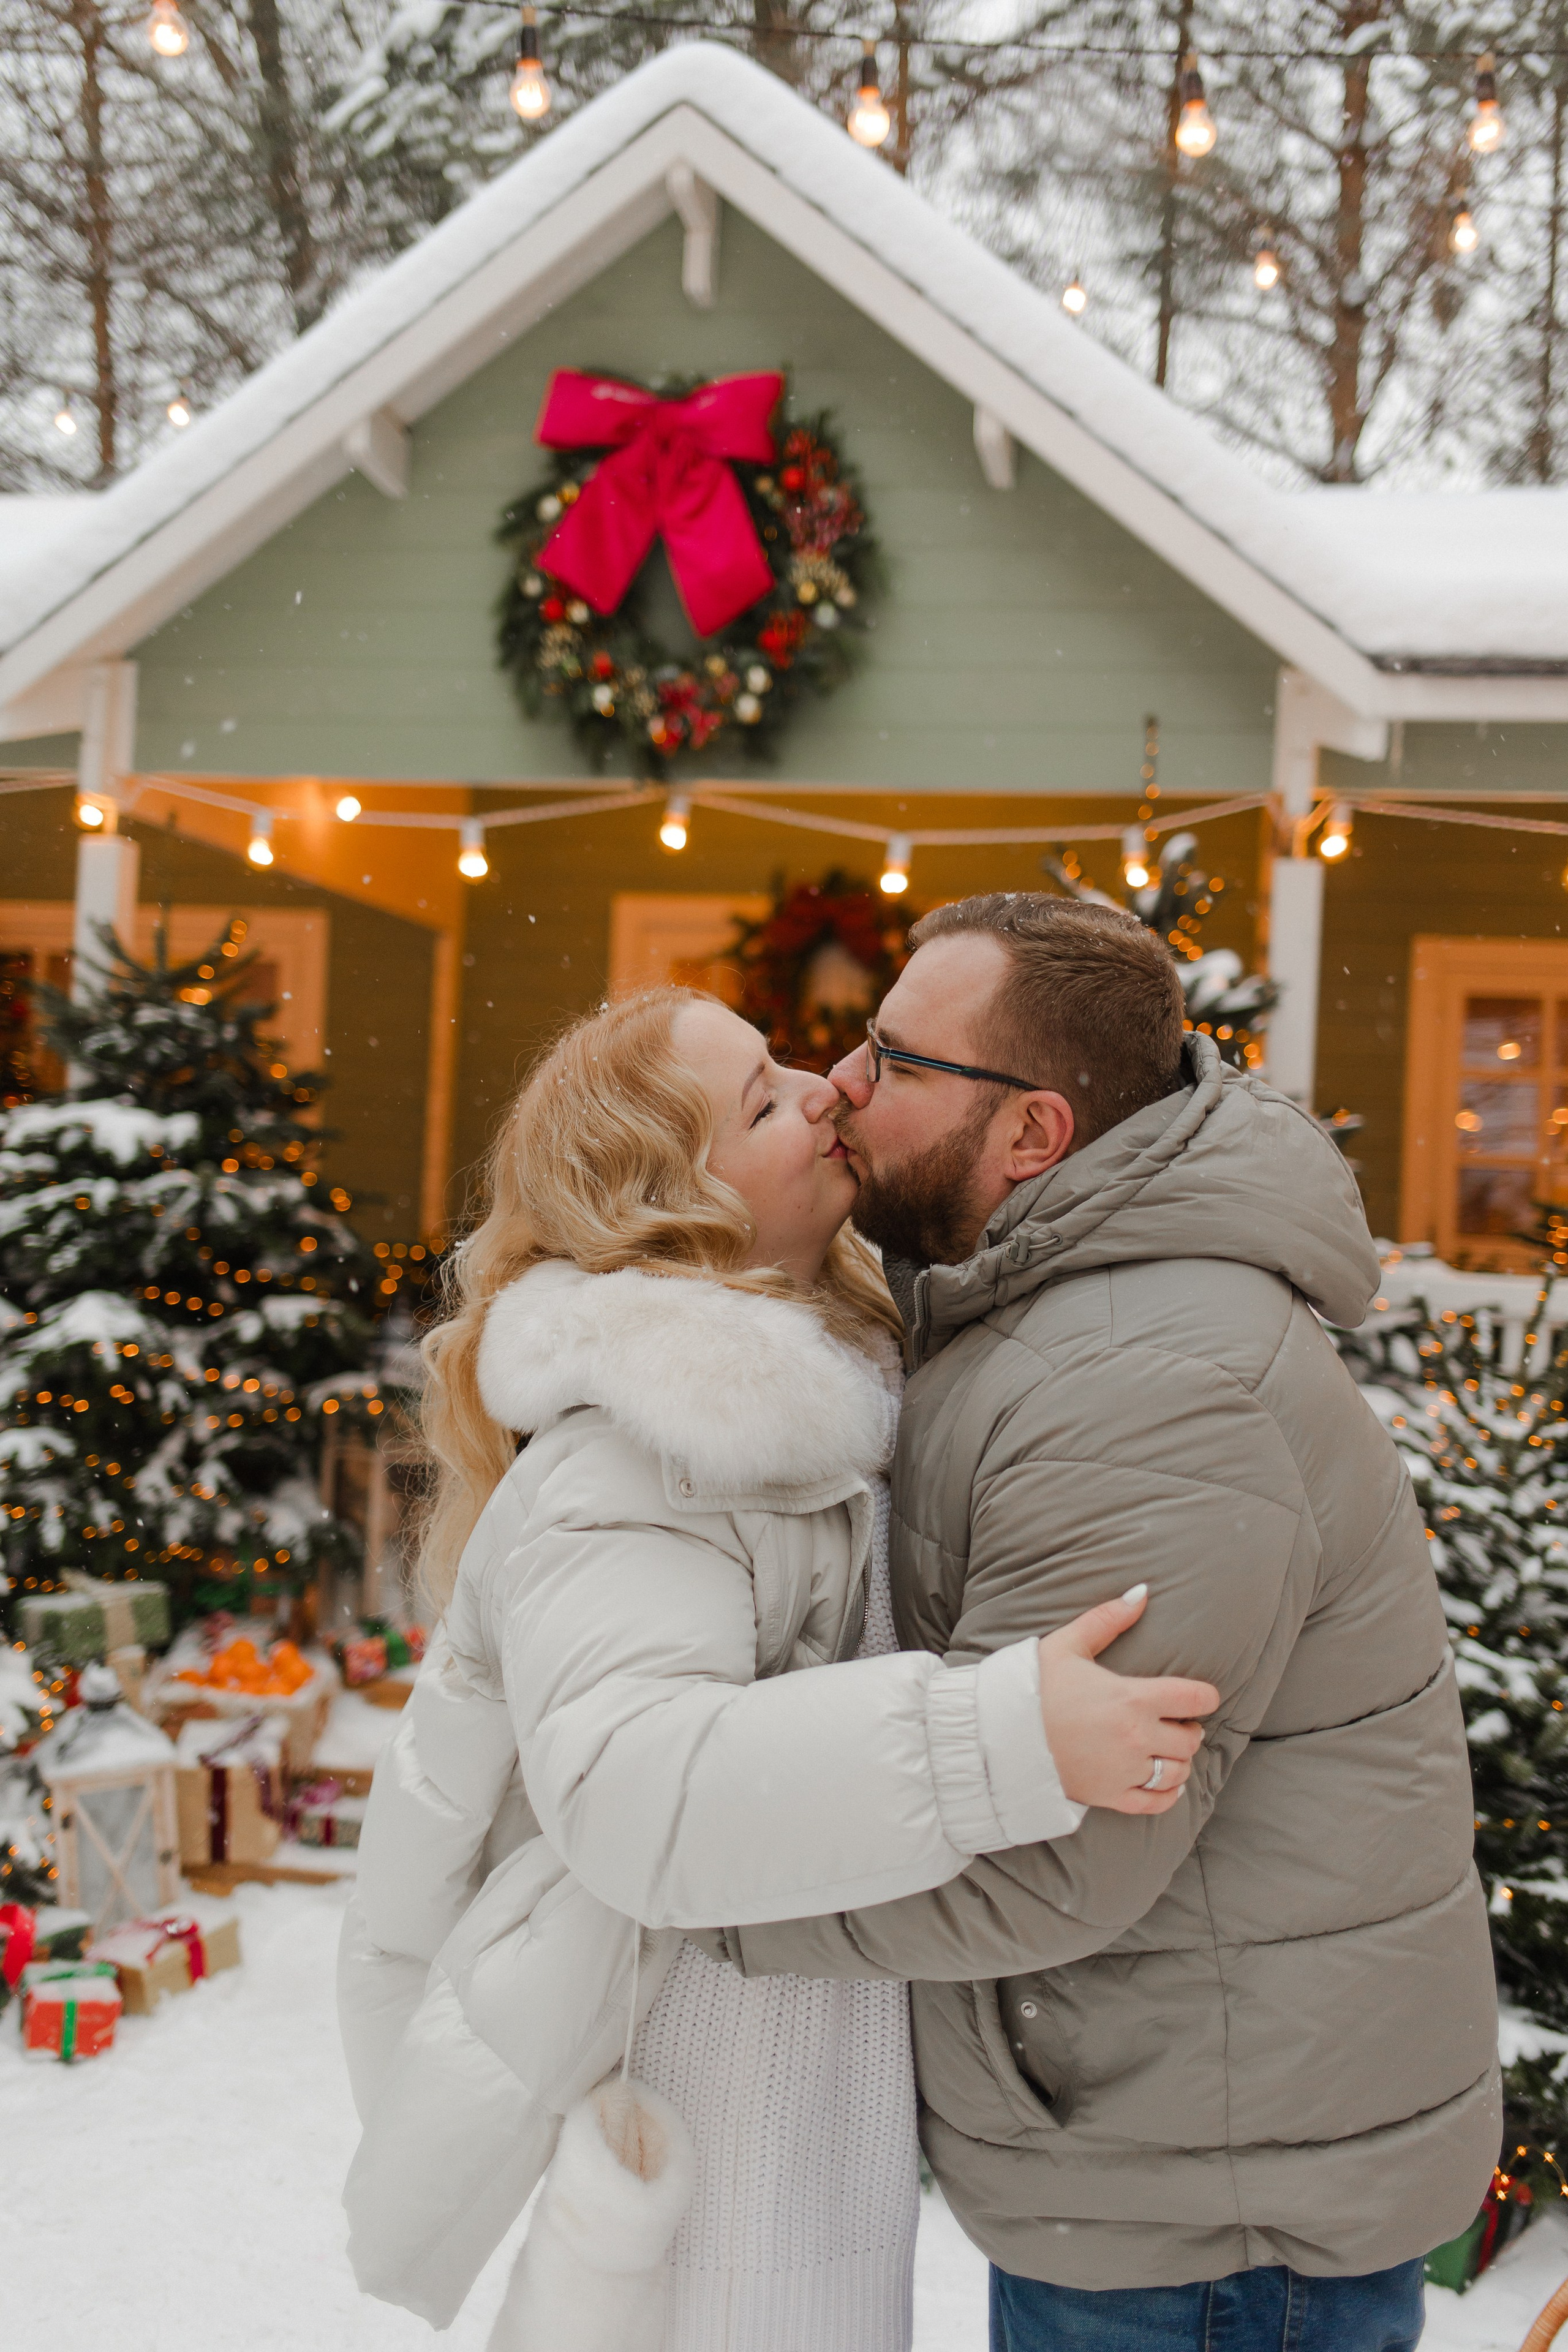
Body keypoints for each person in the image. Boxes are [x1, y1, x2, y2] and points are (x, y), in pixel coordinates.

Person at [336, 984, 1218, 2352]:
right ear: (672, 1207)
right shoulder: (637, 1451)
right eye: (761, 1100)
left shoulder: (823, 1392)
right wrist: (1002, 1737)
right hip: (717, 2086)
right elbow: (639, 1790)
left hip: (812, 2057)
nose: (825, 1087)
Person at [693, 892, 1501, 2352]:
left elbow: (1049, 1845)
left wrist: (684, 1889)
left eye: (894, 1059)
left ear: (1032, 1134)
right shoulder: (1052, 1312)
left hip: (1208, 2228)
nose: (841, 1084)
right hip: (1173, 2155)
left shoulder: (1136, 1381)